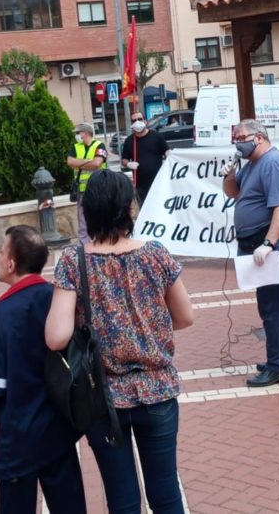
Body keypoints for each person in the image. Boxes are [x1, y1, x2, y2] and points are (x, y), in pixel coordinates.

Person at [46, 170, 194, 514]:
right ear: (128, 208)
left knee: (122, 499)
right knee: (166, 492)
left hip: (102, 396)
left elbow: (56, 338)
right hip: (157, 389)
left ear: (90, 211)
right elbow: (185, 317)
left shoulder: (73, 260)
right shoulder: (155, 254)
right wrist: (148, 327)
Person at [0, 226, 85, 514]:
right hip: (58, 430)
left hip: (16, 440)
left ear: (11, 263)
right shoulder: (58, 298)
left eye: (2, 251)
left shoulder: (1, 314)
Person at [219, 119, 279, 387]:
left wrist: (268, 243)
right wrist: (229, 174)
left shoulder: (273, 163)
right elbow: (233, 193)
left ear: (258, 137)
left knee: (271, 307)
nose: (237, 142)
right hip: (258, 243)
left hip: (271, 245)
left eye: (241, 137)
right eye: (235, 138)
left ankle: (278, 366)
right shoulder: (253, 164)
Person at [66, 123, 107, 243]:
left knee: (99, 214)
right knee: (82, 218)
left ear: (86, 133)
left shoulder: (100, 145)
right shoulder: (76, 147)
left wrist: (79, 163)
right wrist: (88, 161)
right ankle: (84, 243)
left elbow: (97, 163)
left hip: (98, 187)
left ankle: (101, 239)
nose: (77, 135)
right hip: (82, 189)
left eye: (78, 133)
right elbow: (70, 162)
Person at [120, 111, 169, 206]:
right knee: (144, 208)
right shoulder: (130, 141)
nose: (137, 122)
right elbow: (124, 159)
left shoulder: (156, 136)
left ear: (145, 121)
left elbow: (167, 152)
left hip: (158, 181)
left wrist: (170, 154)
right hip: (140, 185)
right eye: (134, 120)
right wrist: (128, 164)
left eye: (139, 119)